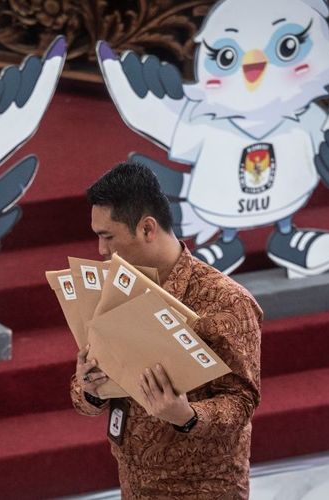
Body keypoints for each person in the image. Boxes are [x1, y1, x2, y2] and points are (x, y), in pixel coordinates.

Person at [70, 162, 262, 499]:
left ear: (147, 228)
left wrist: (186, 416)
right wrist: (89, 389)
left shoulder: (226, 301)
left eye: (108, 236)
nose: (101, 250)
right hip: (134, 482)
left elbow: (242, 399)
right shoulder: (114, 288)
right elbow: (87, 395)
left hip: (203, 487)